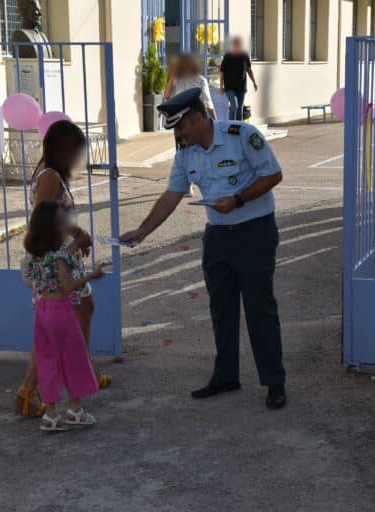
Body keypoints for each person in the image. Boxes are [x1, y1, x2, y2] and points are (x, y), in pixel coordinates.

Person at [119, 88, 287, 410]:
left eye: (181, 127)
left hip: (254, 233)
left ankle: (274, 381)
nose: (177, 135)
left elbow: (273, 175)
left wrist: (238, 199)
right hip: (218, 238)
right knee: (221, 309)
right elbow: (172, 194)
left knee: (259, 308)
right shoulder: (186, 153)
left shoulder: (242, 135)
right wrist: (142, 231)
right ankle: (226, 375)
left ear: (198, 119)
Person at [14, 120, 111, 418]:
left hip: (62, 256)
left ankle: (82, 371)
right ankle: (30, 389)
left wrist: (75, 236)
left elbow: (55, 216)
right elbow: (42, 220)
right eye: (74, 152)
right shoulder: (51, 177)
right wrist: (71, 239)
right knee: (60, 325)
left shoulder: (50, 173)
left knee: (78, 312)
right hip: (55, 261)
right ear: (61, 150)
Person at [22, 201, 104, 431]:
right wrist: (92, 275)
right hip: (60, 311)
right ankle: (75, 410)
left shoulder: (36, 255)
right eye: (62, 222)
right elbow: (67, 286)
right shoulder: (59, 258)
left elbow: (57, 259)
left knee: (47, 361)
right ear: (54, 228)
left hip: (42, 311)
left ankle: (50, 415)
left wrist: (75, 244)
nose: (67, 226)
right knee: (73, 358)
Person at [164, 54, 216, 120]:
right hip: (180, 117)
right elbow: (166, 95)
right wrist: (172, 76)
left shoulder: (201, 80)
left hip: (194, 116)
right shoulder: (176, 80)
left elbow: (208, 103)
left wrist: (216, 121)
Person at [219, 36, 258, 121]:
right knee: (234, 105)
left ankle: (239, 127)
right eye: (235, 44)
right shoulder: (227, 56)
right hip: (229, 86)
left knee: (240, 108)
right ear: (232, 45)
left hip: (241, 87)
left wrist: (254, 82)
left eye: (238, 44)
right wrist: (221, 86)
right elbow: (222, 71)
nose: (237, 46)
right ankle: (231, 125)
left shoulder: (244, 56)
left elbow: (249, 70)